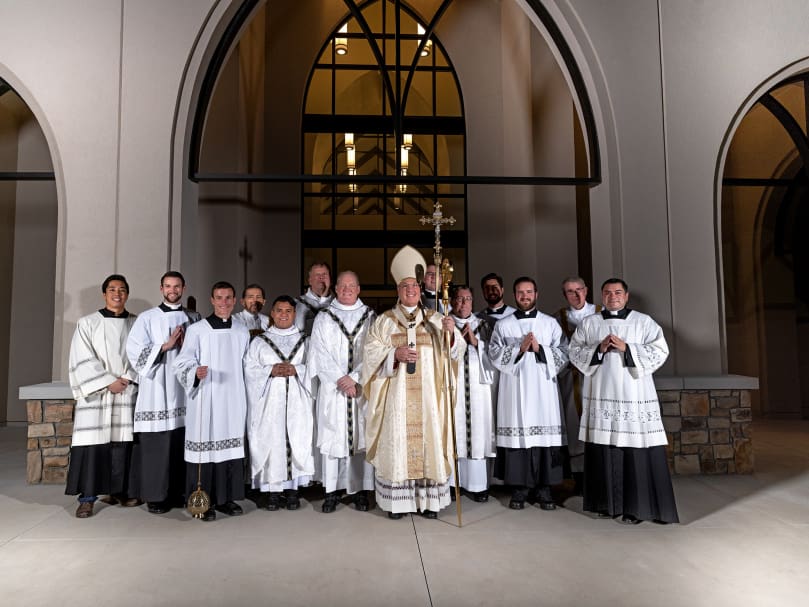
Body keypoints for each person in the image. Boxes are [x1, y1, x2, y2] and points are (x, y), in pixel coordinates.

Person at [361, 246, 465, 519]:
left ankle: (429, 503)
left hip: (429, 399)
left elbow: (456, 353)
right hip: (396, 400)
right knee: (398, 443)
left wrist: (452, 335)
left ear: (421, 290)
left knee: (429, 441)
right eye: (405, 286)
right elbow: (370, 354)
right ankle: (399, 504)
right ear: (397, 289)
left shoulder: (435, 320)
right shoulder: (384, 322)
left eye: (415, 286)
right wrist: (392, 354)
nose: (411, 290)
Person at [568, 278, 678, 524]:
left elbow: (661, 350)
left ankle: (636, 508)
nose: (613, 296)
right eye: (607, 293)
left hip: (633, 397)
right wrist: (599, 349)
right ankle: (606, 504)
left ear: (626, 296)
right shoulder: (590, 323)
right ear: (601, 296)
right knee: (605, 451)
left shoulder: (643, 321)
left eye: (618, 292)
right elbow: (574, 352)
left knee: (634, 453)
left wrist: (627, 348)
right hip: (602, 398)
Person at [173, 281, 250, 522]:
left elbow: (248, 365)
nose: (224, 302)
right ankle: (202, 501)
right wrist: (194, 372)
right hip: (206, 396)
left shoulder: (241, 330)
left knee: (229, 449)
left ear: (235, 301)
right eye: (219, 298)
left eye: (228, 298)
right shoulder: (198, 330)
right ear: (212, 300)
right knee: (206, 449)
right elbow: (182, 362)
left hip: (234, 397)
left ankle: (226, 499)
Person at [489, 277, 568, 511]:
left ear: (536, 294)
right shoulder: (503, 325)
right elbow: (493, 353)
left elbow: (564, 352)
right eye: (520, 293)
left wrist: (539, 349)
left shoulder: (550, 323)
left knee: (544, 438)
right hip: (515, 388)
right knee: (518, 438)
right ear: (514, 295)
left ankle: (545, 490)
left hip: (543, 389)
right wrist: (519, 348)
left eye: (529, 292)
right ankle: (519, 489)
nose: (525, 296)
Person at [126, 271, 201, 514]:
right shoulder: (147, 318)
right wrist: (165, 346)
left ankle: (178, 492)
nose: (173, 290)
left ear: (183, 288)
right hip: (157, 389)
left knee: (180, 442)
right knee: (157, 447)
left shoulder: (193, 319)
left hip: (183, 390)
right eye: (168, 286)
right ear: (161, 289)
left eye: (177, 286)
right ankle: (156, 496)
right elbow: (134, 351)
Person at [66, 274, 139, 518]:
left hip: (126, 391)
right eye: (112, 289)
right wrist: (108, 382)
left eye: (122, 289)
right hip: (98, 396)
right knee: (92, 447)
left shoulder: (136, 323)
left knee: (122, 444)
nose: (117, 294)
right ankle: (87, 497)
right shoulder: (87, 323)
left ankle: (119, 491)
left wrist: (127, 378)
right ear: (104, 293)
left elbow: (142, 355)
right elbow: (81, 357)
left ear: (127, 294)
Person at [308, 271, 376, 513]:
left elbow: (374, 350)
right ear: (336, 289)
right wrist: (341, 379)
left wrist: (355, 378)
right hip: (333, 388)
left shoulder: (369, 317)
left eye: (352, 285)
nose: (347, 289)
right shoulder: (324, 317)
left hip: (359, 388)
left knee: (360, 437)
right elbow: (318, 351)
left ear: (358, 289)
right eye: (343, 285)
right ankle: (332, 491)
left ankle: (360, 490)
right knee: (333, 435)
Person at [244, 295, 314, 511]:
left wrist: (297, 369)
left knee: (296, 439)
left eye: (288, 311)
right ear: (272, 313)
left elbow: (314, 369)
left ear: (294, 314)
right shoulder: (258, 342)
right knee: (271, 441)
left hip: (297, 403)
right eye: (279, 310)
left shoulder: (306, 340)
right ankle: (273, 492)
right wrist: (270, 370)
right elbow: (249, 369)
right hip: (269, 405)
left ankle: (293, 490)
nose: (283, 315)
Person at [449, 285, 496, 502]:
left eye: (467, 299)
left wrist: (477, 344)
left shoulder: (485, 325)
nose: (463, 303)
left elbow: (496, 357)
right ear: (451, 301)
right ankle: (451, 484)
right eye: (458, 299)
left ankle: (478, 486)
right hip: (452, 389)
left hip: (478, 389)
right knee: (453, 434)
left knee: (477, 434)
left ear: (473, 301)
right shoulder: (443, 323)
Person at [554, 276, 601, 492]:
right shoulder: (558, 319)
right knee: (575, 426)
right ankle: (580, 480)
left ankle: (601, 477)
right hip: (572, 380)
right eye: (570, 292)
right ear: (565, 295)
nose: (576, 295)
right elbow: (557, 350)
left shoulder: (602, 313)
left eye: (579, 290)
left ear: (586, 290)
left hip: (599, 379)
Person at [295, 262, 333, 336]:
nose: (321, 277)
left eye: (324, 274)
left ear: (330, 280)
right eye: (317, 274)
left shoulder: (340, 304)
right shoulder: (295, 304)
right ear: (309, 280)